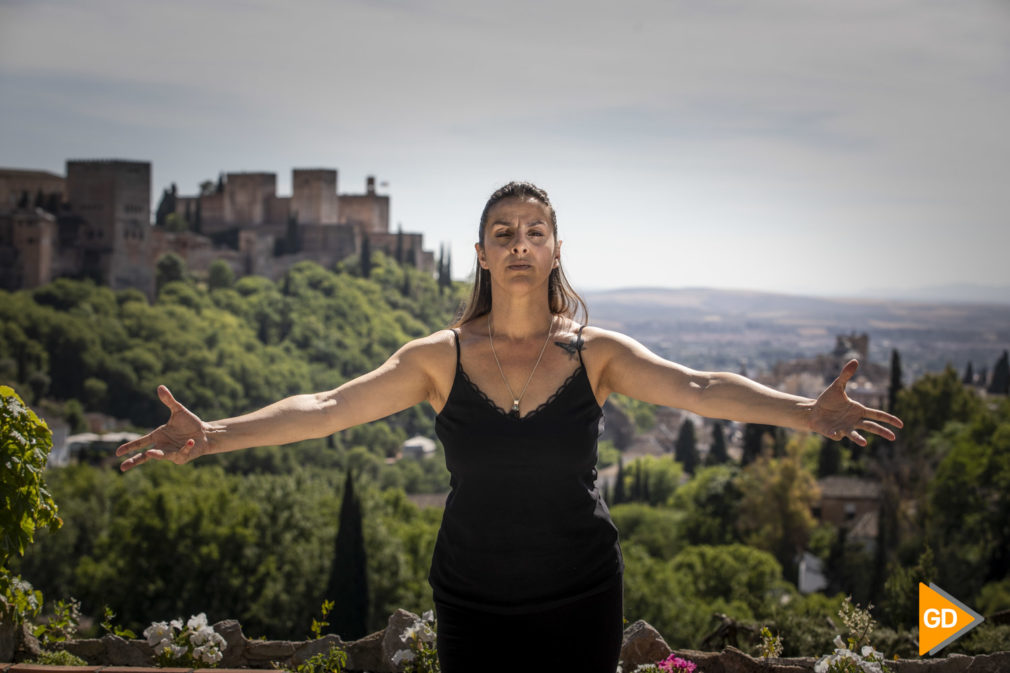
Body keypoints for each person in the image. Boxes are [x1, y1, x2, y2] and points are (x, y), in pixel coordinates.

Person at [117, 181, 903, 672]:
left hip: (581, 591)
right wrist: (213, 433)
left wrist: (803, 411)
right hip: (472, 595)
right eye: (504, 232)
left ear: (555, 249)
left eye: (535, 230)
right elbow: (327, 408)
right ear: (483, 256)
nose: (520, 242)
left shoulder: (596, 352)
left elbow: (697, 385)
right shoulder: (437, 357)